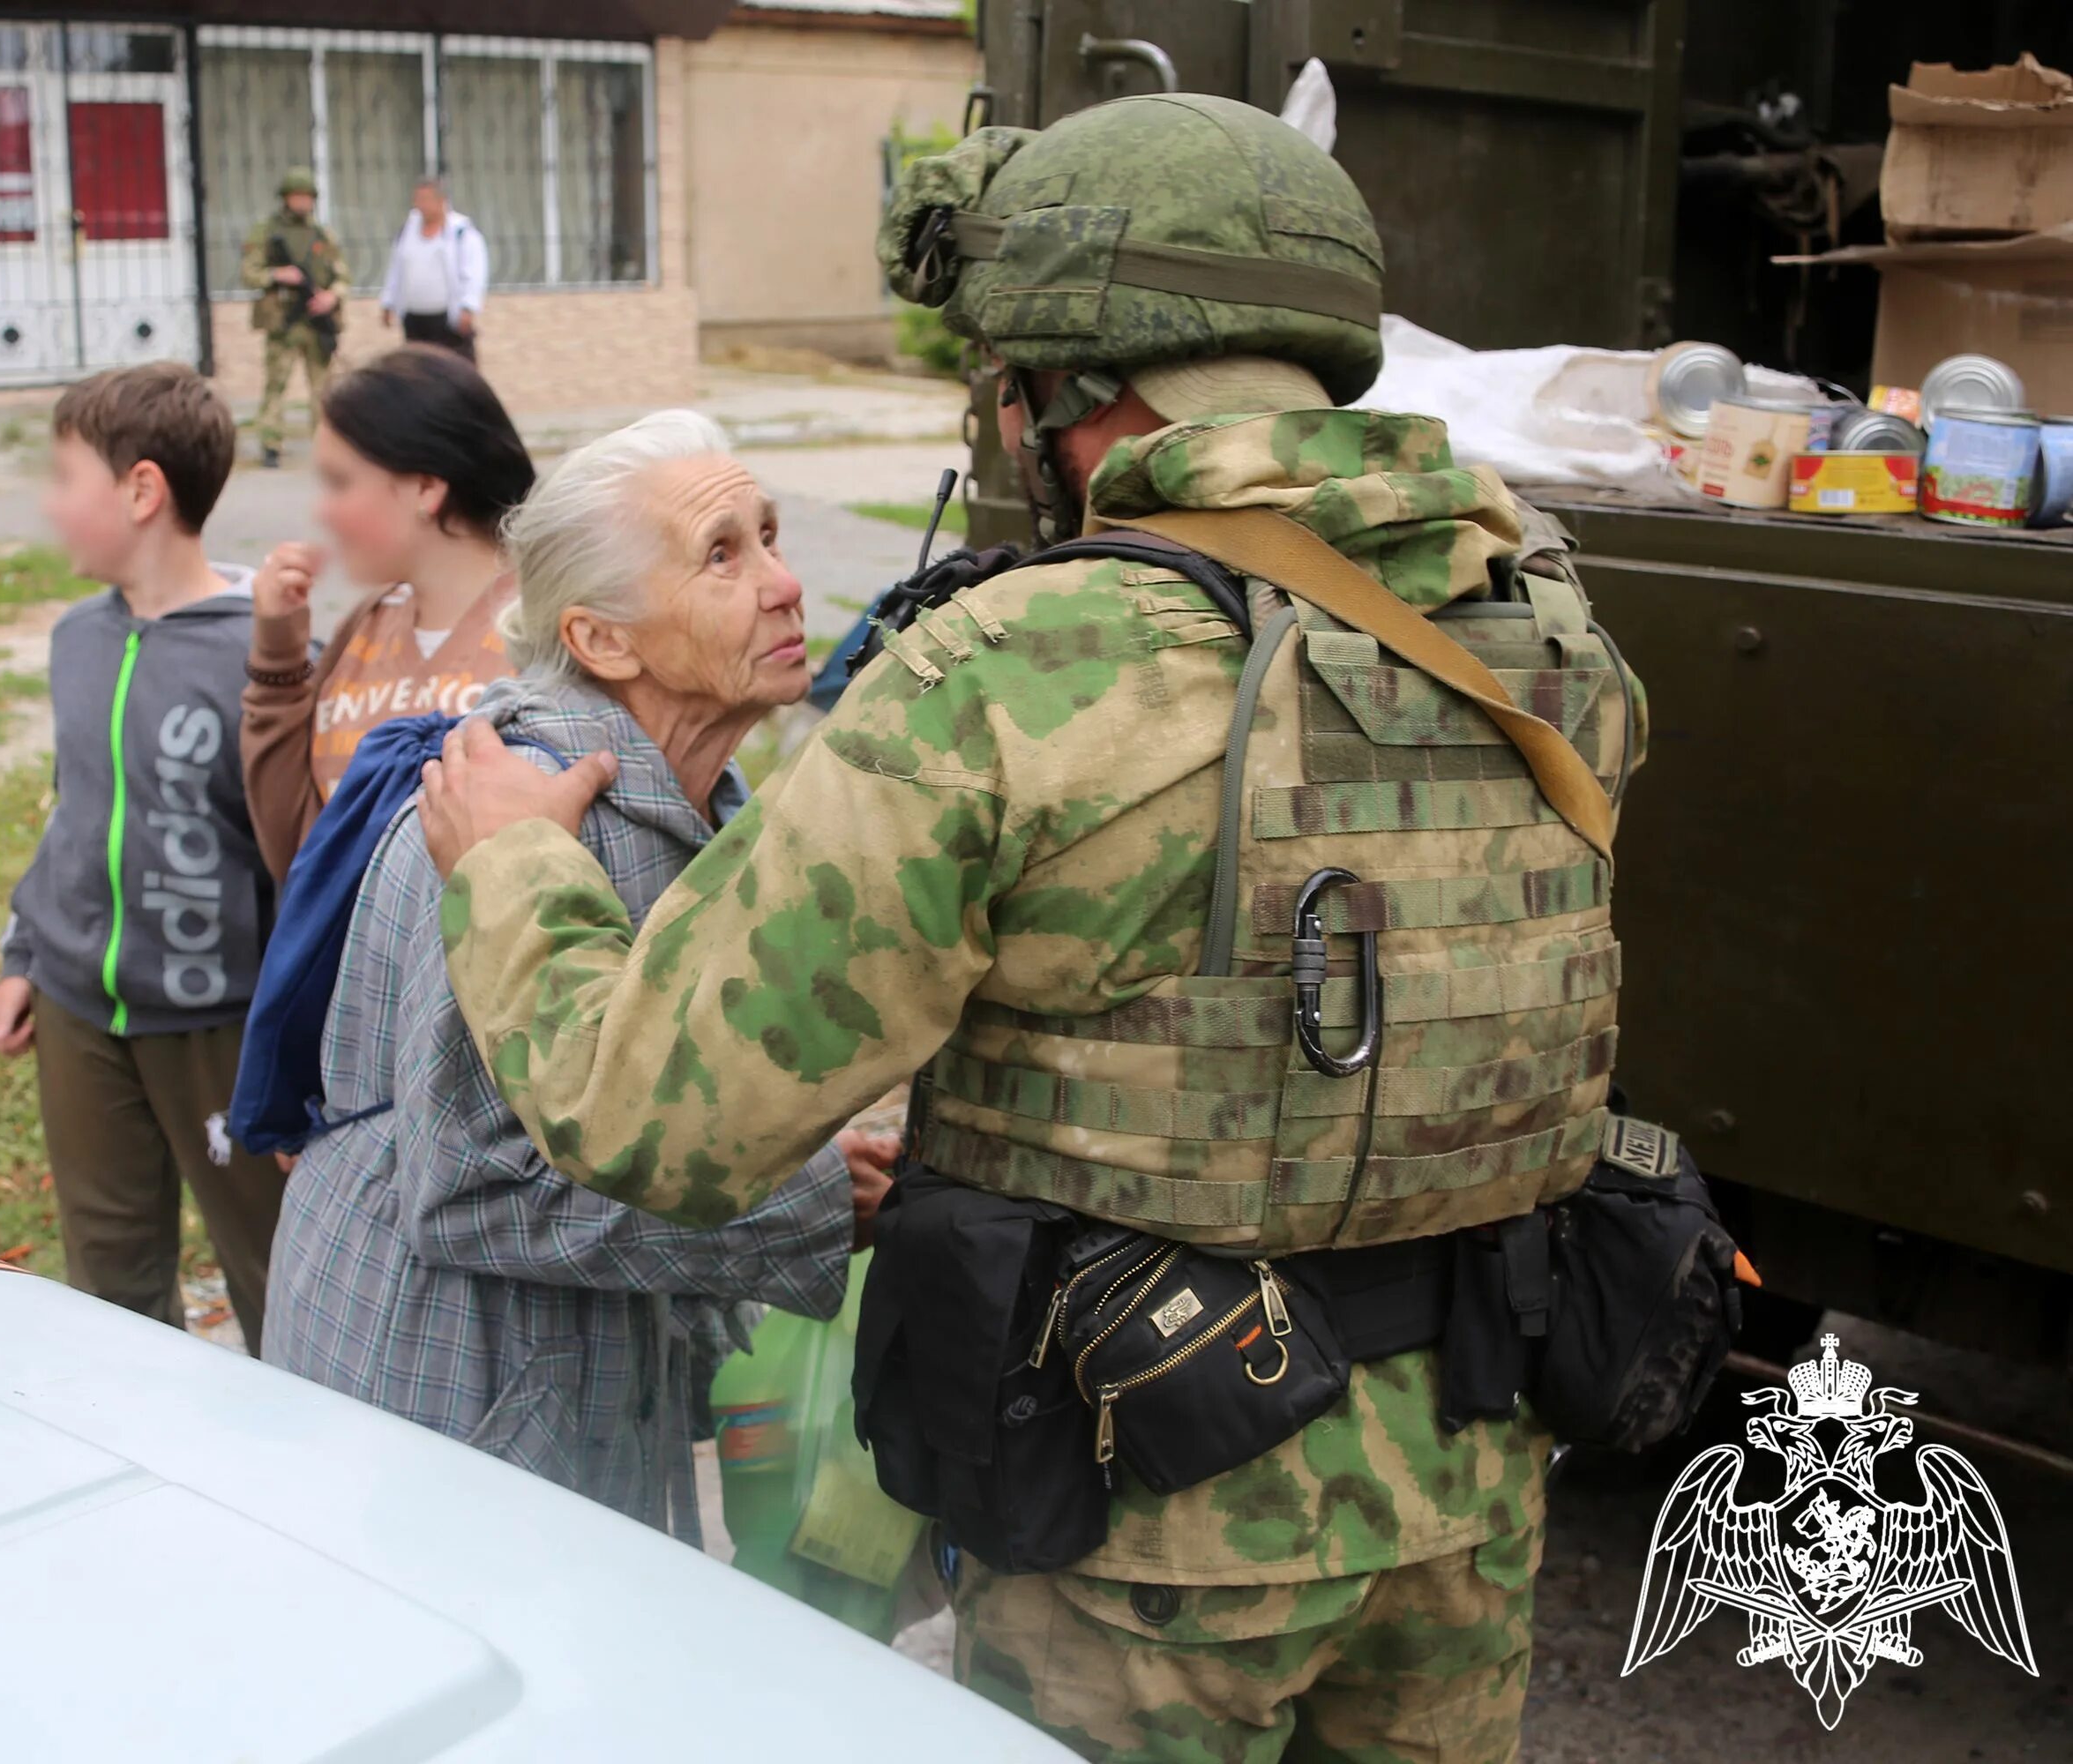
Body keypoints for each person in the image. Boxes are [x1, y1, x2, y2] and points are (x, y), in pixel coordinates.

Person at [410, 94, 1646, 1760]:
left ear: (1057, 387)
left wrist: (509, 875)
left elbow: (655, 1117)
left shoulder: (1011, 671)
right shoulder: (1548, 631)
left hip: (1151, 1540)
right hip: (1468, 1492)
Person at [260, 409, 896, 1536]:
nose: (787, 583)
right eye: (721, 554)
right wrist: (795, 1200)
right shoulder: (532, 814)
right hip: (455, 1382)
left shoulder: (676, 807)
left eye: (771, 535)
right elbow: (472, 1187)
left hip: (550, 1368)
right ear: (603, 641)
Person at [0, 363, 288, 1353]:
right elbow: (77, 813)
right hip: (79, 1011)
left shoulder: (265, 655)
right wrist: (27, 954)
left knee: (277, 1275)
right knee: (108, 1287)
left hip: (221, 1029)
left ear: (142, 490)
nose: (50, 502)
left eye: (67, 475)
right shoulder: (78, 638)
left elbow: (295, 854)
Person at [240, 346, 532, 884]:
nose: (322, 510)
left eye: (340, 482)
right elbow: (302, 858)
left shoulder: (543, 631)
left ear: (426, 487)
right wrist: (278, 657)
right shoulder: (365, 629)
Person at [240, 166, 348, 469]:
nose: (302, 202)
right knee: (276, 385)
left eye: (306, 197)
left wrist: (331, 296)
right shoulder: (268, 231)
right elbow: (249, 273)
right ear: (286, 198)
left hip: (316, 321)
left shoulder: (322, 234)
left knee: (323, 389)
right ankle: (271, 443)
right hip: (283, 320)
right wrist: (277, 274)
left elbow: (343, 275)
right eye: (296, 196)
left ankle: (326, 446)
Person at [377, 177, 488, 362]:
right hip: (415, 318)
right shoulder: (408, 231)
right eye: (418, 199)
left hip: (448, 320)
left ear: (441, 201)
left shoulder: (461, 233)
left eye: (426, 199)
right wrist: (389, 302)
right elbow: (396, 269)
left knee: (454, 368)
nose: (421, 205)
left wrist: (468, 307)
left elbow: (474, 273)